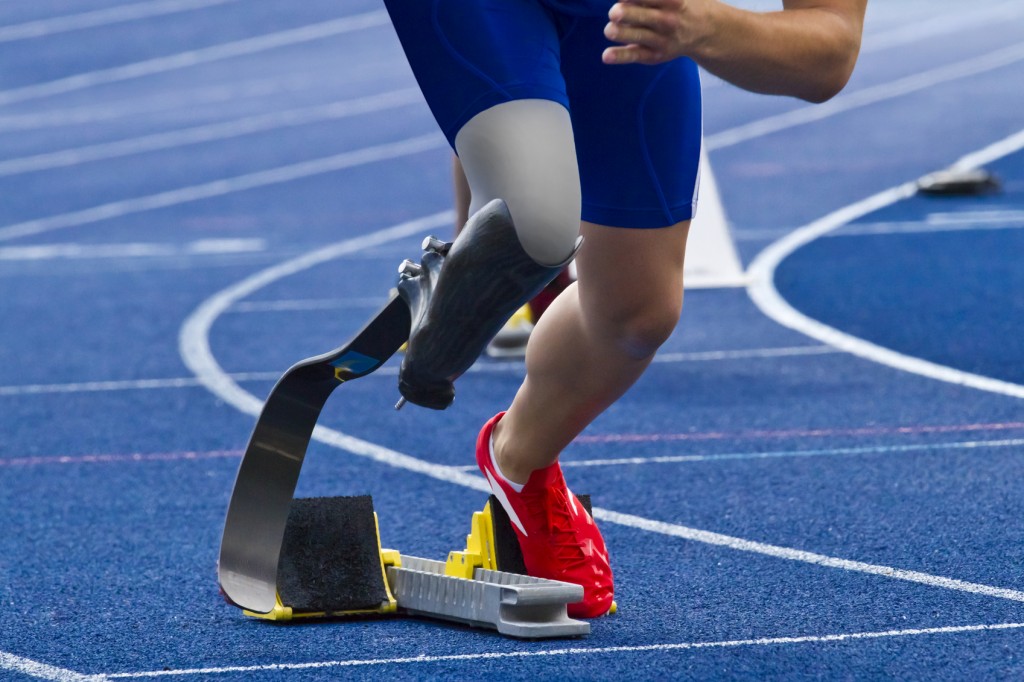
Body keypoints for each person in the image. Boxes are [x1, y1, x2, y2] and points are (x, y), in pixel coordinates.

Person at [384, 0, 867, 618]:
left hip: (626, 20)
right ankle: (481, 251)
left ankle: (519, 459)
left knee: (639, 315)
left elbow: (828, 52)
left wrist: (700, 26)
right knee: (538, 220)